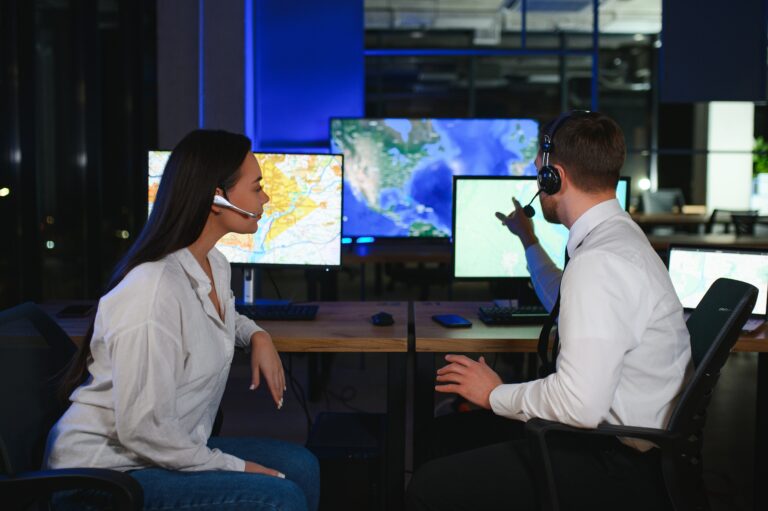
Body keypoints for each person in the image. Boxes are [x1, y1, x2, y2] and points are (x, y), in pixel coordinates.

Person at [406, 111, 691, 511]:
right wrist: (529, 241)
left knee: (428, 484)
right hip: (631, 447)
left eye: (539, 172)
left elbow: (579, 404)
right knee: (448, 435)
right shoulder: (618, 237)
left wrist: (494, 394)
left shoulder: (599, 263)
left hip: (612, 463)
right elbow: (566, 295)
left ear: (552, 178)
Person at [45, 130, 319, 511]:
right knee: (279, 496)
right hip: (105, 476)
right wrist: (234, 466)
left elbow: (222, 315)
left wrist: (257, 335)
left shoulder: (213, 264)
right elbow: (143, 430)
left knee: (302, 466)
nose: (266, 198)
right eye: (257, 187)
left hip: (161, 451)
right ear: (216, 198)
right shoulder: (151, 290)